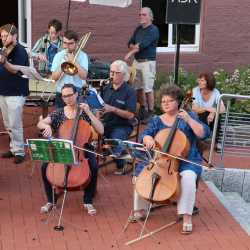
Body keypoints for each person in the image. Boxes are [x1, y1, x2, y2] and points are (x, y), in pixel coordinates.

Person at [132, 84, 210, 234]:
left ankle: (186, 215)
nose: (166, 103)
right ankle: (140, 209)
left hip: (187, 159)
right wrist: (148, 139)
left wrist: (189, 120)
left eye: (170, 100)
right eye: (163, 101)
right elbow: (146, 134)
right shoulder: (157, 120)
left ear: (178, 102)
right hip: (161, 160)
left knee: (188, 177)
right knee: (139, 174)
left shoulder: (189, 116)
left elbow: (203, 133)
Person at [37, 84, 104, 215]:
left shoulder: (84, 111)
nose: (67, 98)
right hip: (63, 147)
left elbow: (101, 129)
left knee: (93, 166)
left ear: (77, 94)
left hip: (82, 147)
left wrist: (89, 112)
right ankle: (50, 200)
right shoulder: (59, 112)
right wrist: (47, 126)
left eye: (70, 95)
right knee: (44, 166)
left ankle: (88, 200)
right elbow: (40, 123)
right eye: (64, 96)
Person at [0, 24, 29, 164]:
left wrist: (3, 61)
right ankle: (13, 148)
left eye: (6, 36)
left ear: (14, 36)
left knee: (15, 123)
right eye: (2, 36)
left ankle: (19, 152)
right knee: (7, 123)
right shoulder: (4, 50)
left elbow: (13, 70)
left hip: (16, 93)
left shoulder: (20, 51)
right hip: (3, 91)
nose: (3, 39)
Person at [101, 60, 137, 175]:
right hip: (106, 123)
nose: (112, 75)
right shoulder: (106, 88)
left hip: (122, 125)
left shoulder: (130, 92)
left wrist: (113, 109)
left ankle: (122, 162)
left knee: (114, 142)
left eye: (116, 73)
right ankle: (113, 151)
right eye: (111, 72)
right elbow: (101, 106)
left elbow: (131, 115)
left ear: (124, 75)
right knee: (91, 137)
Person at [124, 7, 159, 123]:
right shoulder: (138, 29)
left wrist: (130, 52)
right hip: (137, 62)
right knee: (138, 87)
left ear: (150, 17)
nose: (141, 16)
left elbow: (142, 45)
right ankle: (143, 109)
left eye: (144, 15)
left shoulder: (153, 30)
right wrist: (134, 47)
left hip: (147, 62)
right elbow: (130, 42)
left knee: (148, 88)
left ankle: (151, 112)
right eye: (140, 14)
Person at [51, 30, 88, 108]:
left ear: (76, 43)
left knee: (75, 119)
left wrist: (74, 61)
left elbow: (84, 76)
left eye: (70, 43)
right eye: (65, 43)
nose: (67, 46)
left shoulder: (83, 56)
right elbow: (54, 78)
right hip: (61, 94)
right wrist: (63, 63)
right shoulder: (58, 56)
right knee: (60, 119)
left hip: (76, 93)